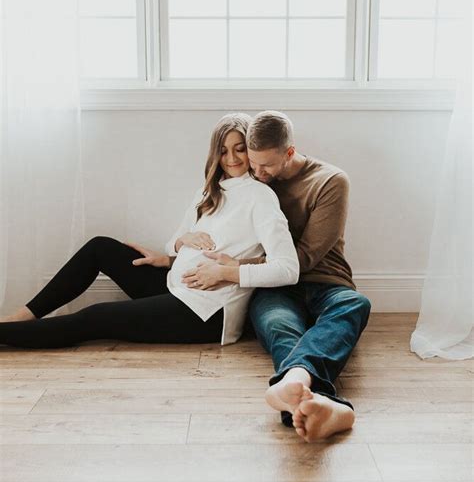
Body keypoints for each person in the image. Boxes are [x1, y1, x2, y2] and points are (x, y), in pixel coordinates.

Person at [0, 113, 299, 349]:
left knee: (97, 316)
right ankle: (25, 315)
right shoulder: (207, 192)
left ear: (251, 150)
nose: (232, 159)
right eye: (223, 151)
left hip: (205, 311)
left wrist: (225, 273)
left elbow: (287, 269)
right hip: (174, 285)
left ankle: (7, 333)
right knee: (99, 247)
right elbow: (173, 243)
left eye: (239, 150)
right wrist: (180, 245)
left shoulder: (260, 197)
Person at [191, 111, 372, 442]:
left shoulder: (330, 181)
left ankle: (294, 383)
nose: (257, 173)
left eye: (266, 167)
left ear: (289, 152)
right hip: (274, 287)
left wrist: (234, 268)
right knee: (278, 326)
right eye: (254, 164)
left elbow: (303, 258)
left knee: (354, 305)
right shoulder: (255, 186)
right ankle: (318, 402)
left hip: (326, 282)